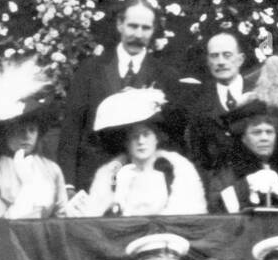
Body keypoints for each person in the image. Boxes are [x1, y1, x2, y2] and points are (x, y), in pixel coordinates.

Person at [56, 0, 177, 193]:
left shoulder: (165, 75)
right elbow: (71, 131)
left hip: (148, 187)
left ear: (153, 30)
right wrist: (68, 185)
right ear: (119, 24)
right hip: (94, 183)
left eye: (145, 28)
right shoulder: (90, 70)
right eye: (132, 26)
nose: (138, 34)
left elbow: (172, 137)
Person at [0, 59, 75, 218]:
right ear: (5, 133)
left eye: (32, 130)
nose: (26, 136)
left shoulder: (52, 169)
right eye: (19, 130)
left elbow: (62, 217)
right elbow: (1, 226)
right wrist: (28, 187)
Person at [83, 88, 206, 217]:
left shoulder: (178, 171)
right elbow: (97, 219)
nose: (141, 141)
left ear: (157, 138)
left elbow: (190, 217)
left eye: (146, 134)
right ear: (126, 142)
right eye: (135, 136)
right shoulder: (110, 176)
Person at [210, 57, 278, 213]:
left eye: (269, 132)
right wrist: (246, 186)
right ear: (243, 137)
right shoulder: (228, 167)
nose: (264, 137)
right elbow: (215, 208)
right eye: (256, 132)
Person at [182, 30, 250, 176]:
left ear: (240, 59)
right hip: (224, 189)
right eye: (214, 56)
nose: (220, 62)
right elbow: (198, 160)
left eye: (227, 55)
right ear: (208, 61)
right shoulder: (199, 106)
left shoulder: (259, 92)